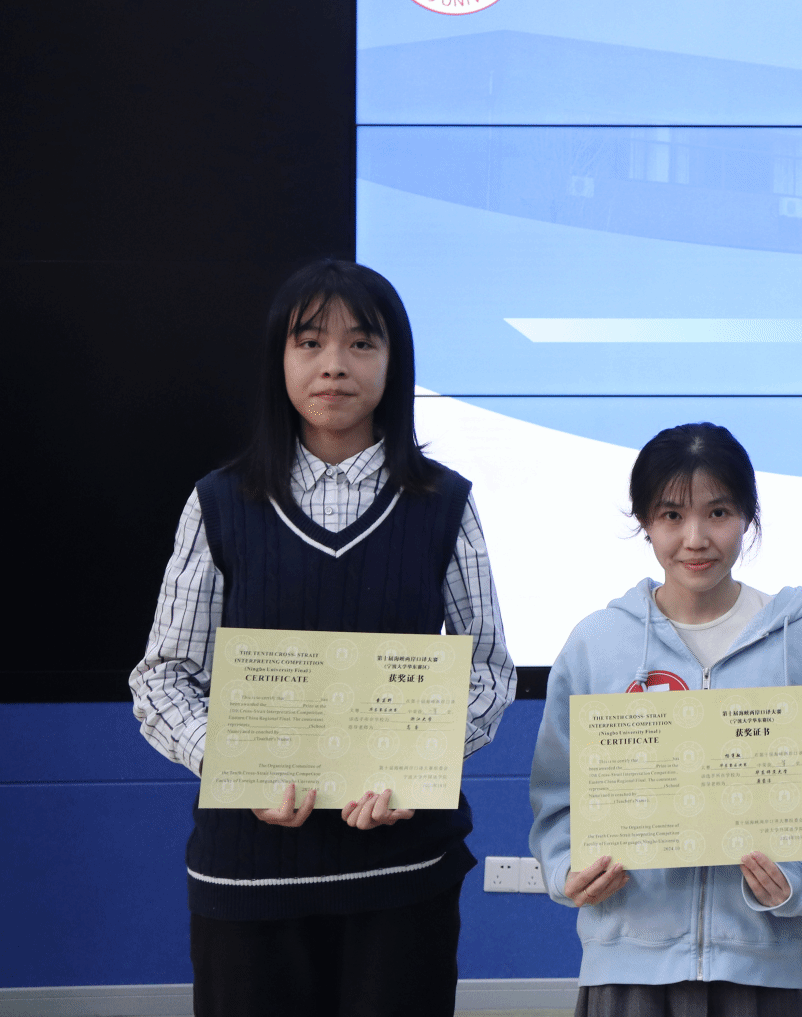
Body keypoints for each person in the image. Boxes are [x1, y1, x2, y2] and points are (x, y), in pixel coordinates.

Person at [129, 259, 517, 1017]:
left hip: (403, 875)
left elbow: (490, 671)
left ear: (394, 361)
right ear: (278, 359)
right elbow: (163, 677)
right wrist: (240, 769)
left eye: (361, 343)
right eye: (309, 342)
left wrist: (413, 767)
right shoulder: (218, 502)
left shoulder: (444, 502)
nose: (334, 364)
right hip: (249, 877)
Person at [530, 422, 802, 1017]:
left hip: (759, 966)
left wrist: (798, 880)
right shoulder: (596, 645)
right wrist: (567, 870)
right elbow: (558, 801)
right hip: (626, 964)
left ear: (747, 517)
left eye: (718, 513)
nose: (695, 539)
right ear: (645, 521)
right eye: (671, 515)